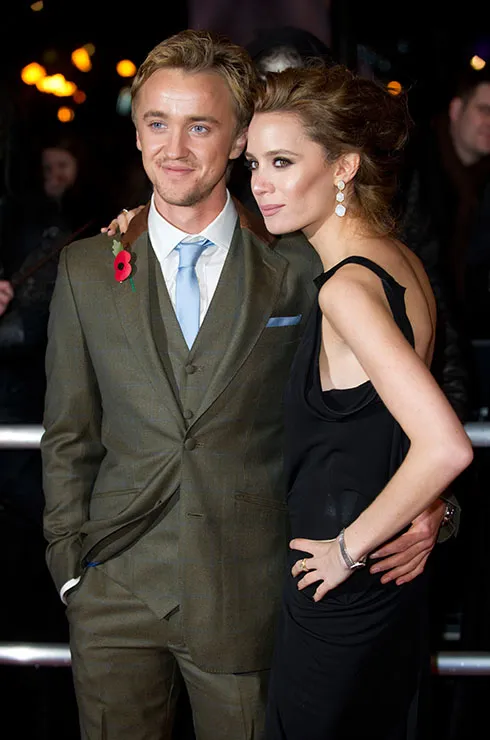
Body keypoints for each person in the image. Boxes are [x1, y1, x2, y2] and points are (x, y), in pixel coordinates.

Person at [42, 31, 458, 740]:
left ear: (238, 138)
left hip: (256, 595)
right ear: (136, 132)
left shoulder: (307, 259)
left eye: (201, 126)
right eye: (156, 123)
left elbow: (403, 403)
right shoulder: (88, 265)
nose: (175, 148)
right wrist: (70, 568)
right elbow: (69, 433)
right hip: (112, 594)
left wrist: (434, 507)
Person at [242, 64, 473, 739]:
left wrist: (345, 550)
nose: (260, 183)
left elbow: (444, 445)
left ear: (343, 166)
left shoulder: (346, 288)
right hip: (388, 579)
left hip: (340, 582)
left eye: (282, 162)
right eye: (254, 163)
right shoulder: (399, 260)